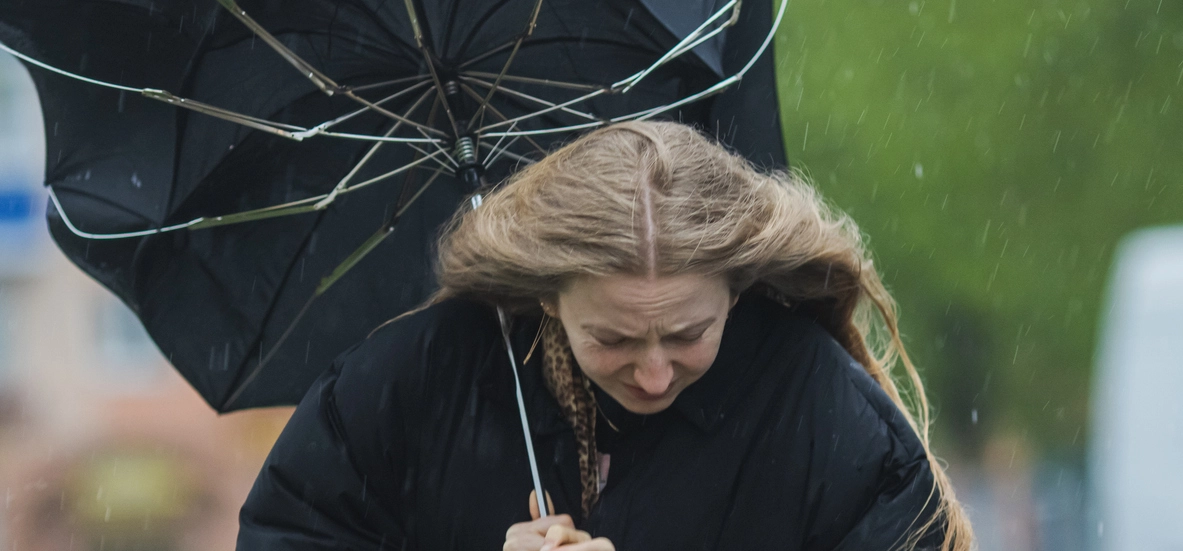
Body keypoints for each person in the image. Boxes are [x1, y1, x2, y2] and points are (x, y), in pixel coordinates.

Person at [236, 121, 974, 550]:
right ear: (548, 298)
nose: (653, 373)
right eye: (614, 339)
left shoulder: (823, 420)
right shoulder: (405, 389)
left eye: (687, 333)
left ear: (737, 289)